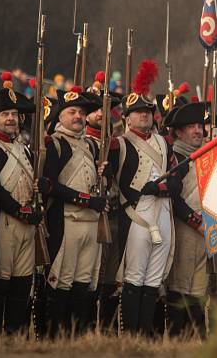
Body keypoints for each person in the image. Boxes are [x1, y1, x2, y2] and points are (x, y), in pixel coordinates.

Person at [110, 61, 178, 336]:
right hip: (137, 211)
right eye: (137, 112)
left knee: (154, 277)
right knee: (134, 275)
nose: (144, 116)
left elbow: (175, 172)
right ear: (127, 117)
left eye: (147, 112)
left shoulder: (163, 142)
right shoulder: (120, 143)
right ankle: (130, 333)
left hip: (163, 210)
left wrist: (168, 186)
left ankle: (146, 333)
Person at [0, 73, 46, 334]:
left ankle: (14, 335)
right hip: (5, 221)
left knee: (22, 283)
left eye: (14, 115)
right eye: (5, 114)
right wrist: (19, 211)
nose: (10, 119)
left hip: (27, 225)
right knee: (0, 281)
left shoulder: (25, 149)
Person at [42, 87, 109, 336]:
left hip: (90, 223)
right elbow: (48, 185)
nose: (79, 117)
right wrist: (85, 200)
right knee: (62, 281)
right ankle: (55, 338)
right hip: (66, 220)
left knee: (84, 283)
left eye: (81, 112)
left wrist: (106, 177)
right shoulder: (54, 144)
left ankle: (77, 338)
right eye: (72, 112)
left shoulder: (91, 146)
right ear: (60, 117)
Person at [164, 101, 209, 337]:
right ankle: (176, 337)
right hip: (184, 228)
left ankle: (196, 339)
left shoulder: (203, 155)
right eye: (191, 127)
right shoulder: (176, 158)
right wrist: (195, 221)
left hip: (204, 230)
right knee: (180, 286)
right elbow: (174, 198)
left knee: (198, 289)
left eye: (200, 125)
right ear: (179, 132)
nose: (197, 131)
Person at [83, 71, 123, 331]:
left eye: (104, 109)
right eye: (95, 108)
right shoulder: (79, 142)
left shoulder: (117, 144)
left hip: (114, 215)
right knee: (86, 275)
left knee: (110, 276)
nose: (100, 113)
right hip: (85, 217)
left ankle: (106, 330)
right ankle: (83, 327)